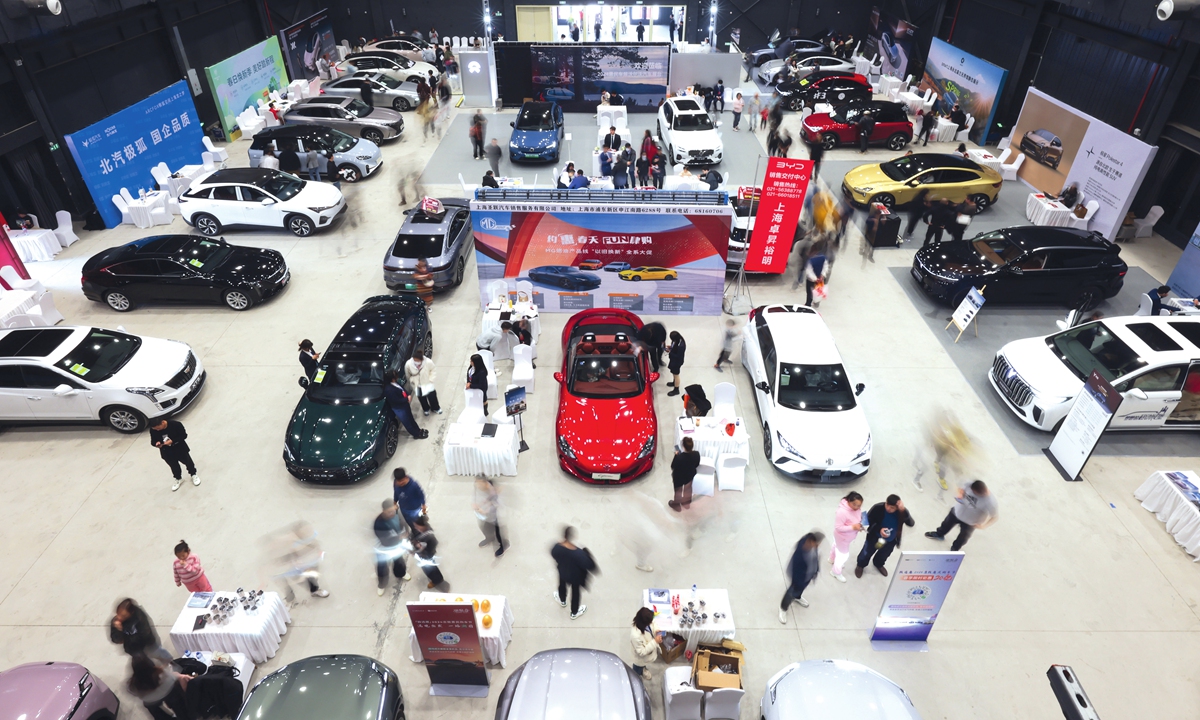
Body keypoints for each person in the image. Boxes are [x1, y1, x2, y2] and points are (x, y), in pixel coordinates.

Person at [926, 480, 999, 550]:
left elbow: (995, 517)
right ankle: (939, 534)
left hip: (970, 522)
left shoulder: (991, 503)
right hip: (957, 512)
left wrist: (984, 526)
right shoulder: (969, 484)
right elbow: (959, 485)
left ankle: (955, 548)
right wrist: (960, 492)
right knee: (946, 524)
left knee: (963, 537)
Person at [854, 494, 914, 577]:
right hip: (875, 537)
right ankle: (860, 565)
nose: (888, 508)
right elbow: (869, 520)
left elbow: (911, 523)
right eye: (887, 505)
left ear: (897, 508)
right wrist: (879, 529)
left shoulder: (901, 512)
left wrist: (903, 511)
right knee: (867, 552)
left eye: (892, 507)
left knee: (884, 554)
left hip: (890, 540)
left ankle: (878, 564)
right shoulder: (878, 508)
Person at [551, 525, 597, 619]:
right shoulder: (579, 554)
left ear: (564, 536)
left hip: (563, 572)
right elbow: (591, 566)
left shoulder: (557, 547)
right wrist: (587, 552)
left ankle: (562, 600)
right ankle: (574, 612)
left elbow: (553, 554)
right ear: (573, 537)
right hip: (576, 577)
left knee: (562, 585)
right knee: (575, 593)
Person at [127, 653, 190, 720]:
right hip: (169, 692)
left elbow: (132, 692)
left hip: (151, 701)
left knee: (151, 707)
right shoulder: (162, 673)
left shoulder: (133, 684)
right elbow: (172, 679)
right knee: (178, 704)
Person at [779, 531, 824, 623]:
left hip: (807, 576)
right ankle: (783, 608)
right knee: (791, 592)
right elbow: (796, 568)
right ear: (812, 541)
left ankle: (797, 597)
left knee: (800, 589)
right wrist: (798, 582)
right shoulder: (801, 552)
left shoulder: (814, 547)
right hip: (798, 577)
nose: (819, 545)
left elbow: (816, 559)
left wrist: (815, 571)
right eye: (818, 543)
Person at [150, 418, 198, 492]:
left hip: (180, 448)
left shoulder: (176, 424)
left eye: (158, 428)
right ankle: (178, 478)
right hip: (166, 451)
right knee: (173, 466)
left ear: (162, 422)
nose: (157, 430)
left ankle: (193, 474)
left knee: (188, 462)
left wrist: (172, 441)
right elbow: (153, 441)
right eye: (156, 429)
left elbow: (184, 435)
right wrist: (156, 443)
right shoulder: (153, 429)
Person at [374, 499, 410, 595]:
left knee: (399, 561)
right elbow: (385, 541)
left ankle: (401, 573)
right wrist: (400, 537)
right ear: (383, 511)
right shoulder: (378, 523)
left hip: (396, 544)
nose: (392, 514)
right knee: (382, 567)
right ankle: (382, 584)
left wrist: (407, 533)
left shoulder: (398, 514)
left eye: (393, 511)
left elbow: (404, 523)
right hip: (383, 548)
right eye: (389, 512)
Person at [383, 370, 428, 439]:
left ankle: (418, 430)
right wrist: (406, 399)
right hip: (400, 408)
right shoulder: (388, 390)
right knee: (408, 423)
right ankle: (416, 434)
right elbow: (395, 400)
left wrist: (408, 394)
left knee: (411, 419)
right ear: (392, 378)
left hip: (404, 405)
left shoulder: (395, 382)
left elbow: (402, 389)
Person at [830, 492, 863, 582]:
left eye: (859, 505)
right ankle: (835, 572)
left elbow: (856, 518)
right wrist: (853, 527)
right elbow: (838, 527)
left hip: (845, 537)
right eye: (854, 504)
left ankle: (832, 558)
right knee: (843, 556)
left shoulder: (856, 509)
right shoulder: (842, 512)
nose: (856, 507)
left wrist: (859, 526)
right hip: (842, 537)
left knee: (836, 545)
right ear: (848, 501)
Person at [474, 475, 506, 556]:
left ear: (485, 483)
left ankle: (503, 546)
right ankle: (489, 538)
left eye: (479, 483)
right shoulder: (484, 488)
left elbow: (494, 505)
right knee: (484, 527)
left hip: (493, 516)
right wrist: (479, 504)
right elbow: (487, 499)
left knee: (498, 532)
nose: (477, 485)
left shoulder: (492, 491)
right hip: (488, 516)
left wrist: (483, 511)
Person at [411, 515, 445, 588]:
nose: (415, 527)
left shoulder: (430, 536)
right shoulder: (418, 530)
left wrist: (421, 548)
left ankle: (437, 580)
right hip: (421, 554)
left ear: (422, 525)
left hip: (427, 556)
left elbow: (433, 546)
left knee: (431, 569)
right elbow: (413, 537)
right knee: (426, 568)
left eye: (417, 526)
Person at [405, 348, 441, 415]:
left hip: (427, 382)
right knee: (421, 398)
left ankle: (435, 408)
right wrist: (412, 381)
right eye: (415, 360)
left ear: (422, 359)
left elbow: (433, 370)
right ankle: (426, 409)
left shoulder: (428, 362)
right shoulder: (408, 364)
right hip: (417, 384)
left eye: (418, 360)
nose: (416, 362)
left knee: (432, 396)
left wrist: (431, 379)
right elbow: (408, 374)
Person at [669, 436, 700, 511]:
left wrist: (676, 455)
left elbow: (673, 466)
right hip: (689, 475)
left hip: (679, 477)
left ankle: (677, 506)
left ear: (683, 446)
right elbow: (697, 464)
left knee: (678, 491)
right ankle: (686, 504)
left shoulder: (679, 457)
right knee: (688, 489)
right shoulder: (696, 454)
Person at [630, 607, 661, 680]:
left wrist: (656, 629)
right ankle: (637, 677)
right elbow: (641, 652)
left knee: (644, 665)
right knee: (637, 669)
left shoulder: (644, 619)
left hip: (647, 655)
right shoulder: (636, 636)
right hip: (640, 659)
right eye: (649, 622)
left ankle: (643, 670)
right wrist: (655, 642)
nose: (651, 622)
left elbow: (653, 622)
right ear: (644, 623)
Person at [666, 331, 686, 395]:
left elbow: (678, 356)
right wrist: (671, 347)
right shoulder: (677, 340)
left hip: (677, 362)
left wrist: (670, 352)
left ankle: (676, 389)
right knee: (673, 373)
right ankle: (674, 382)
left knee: (676, 375)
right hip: (673, 360)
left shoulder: (681, 346)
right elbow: (674, 347)